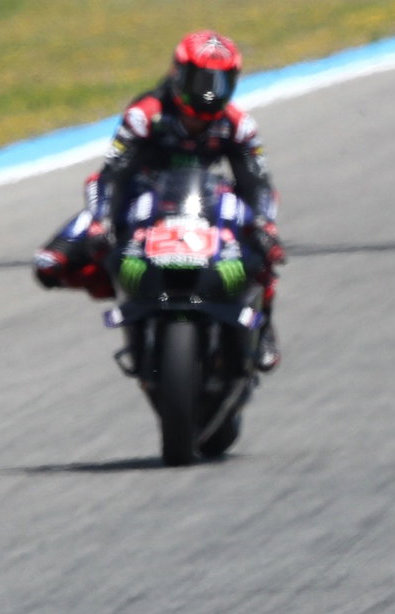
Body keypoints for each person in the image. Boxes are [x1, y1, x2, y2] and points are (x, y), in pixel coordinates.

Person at [33, 30, 288, 370]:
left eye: (221, 82)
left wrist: (262, 224)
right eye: (201, 81)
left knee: (264, 246)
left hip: (207, 198)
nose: (209, 93)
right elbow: (111, 173)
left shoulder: (238, 125)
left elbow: (257, 182)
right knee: (51, 264)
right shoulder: (146, 114)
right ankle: (125, 289)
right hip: (142, 194)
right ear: (179, 74)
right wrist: (103, 221)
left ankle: (263, 324)